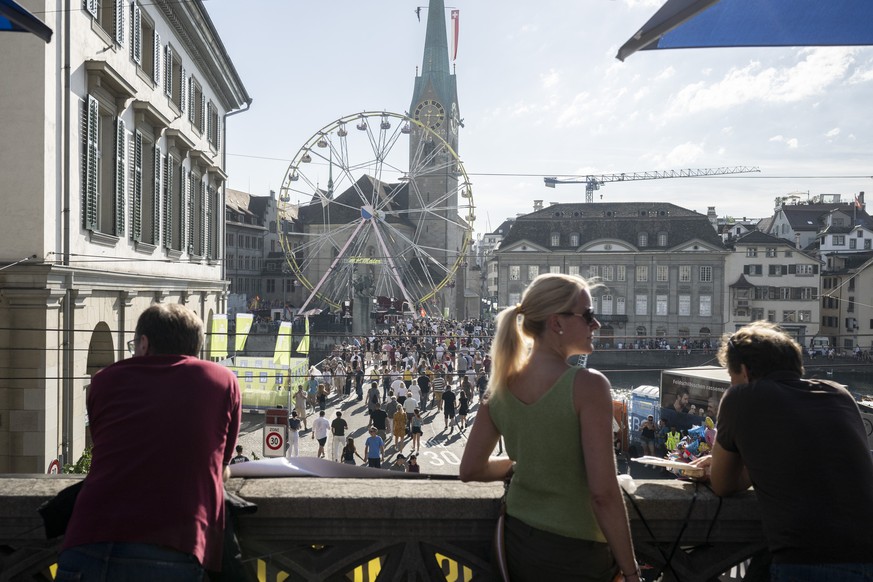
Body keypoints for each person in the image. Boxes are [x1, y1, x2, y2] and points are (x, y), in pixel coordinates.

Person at [459, 273, 639, 582]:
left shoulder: (500, 388)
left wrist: (524, 465)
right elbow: (604, 494)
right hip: (576, 553)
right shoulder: (589, 385)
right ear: (556, 323)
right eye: (589, 316)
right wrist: (632, 572)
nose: (595, 325)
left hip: (518, 544)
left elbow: (470, 470)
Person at [58, 303, 241, 580]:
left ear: (144, 343)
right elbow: (222, 466)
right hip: (174, 544)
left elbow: (107, 446)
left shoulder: (105, 380)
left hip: (87, 539)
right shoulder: (222, 380)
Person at [693, 321, 873, 580]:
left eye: (731, 378)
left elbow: (722, 485)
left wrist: (717, 466)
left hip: (806, 560)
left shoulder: (741, 397)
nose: (732, 385)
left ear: (743, 371)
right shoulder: (838, 394)